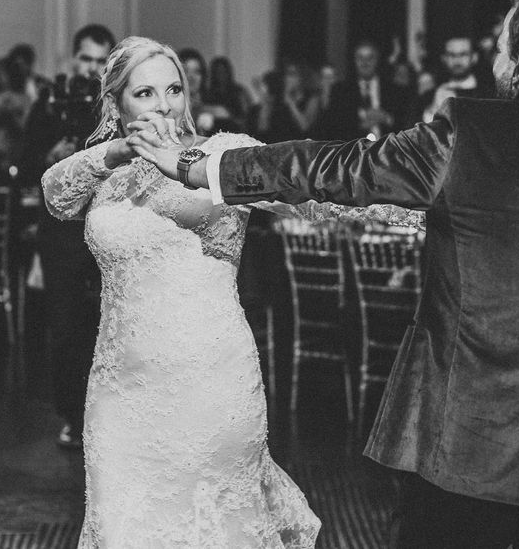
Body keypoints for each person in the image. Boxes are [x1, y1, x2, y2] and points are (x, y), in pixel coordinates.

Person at [133, 0, 519, 548]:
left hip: (471, 439)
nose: (495, 60)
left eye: (502, 47)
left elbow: (335, 167)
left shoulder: (467, 137)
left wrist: (201, 166)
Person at [42, 36, 417, 546]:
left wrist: (412, 205)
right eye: (145, 93)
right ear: (116, 103)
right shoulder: (109, 174)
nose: (164, 104)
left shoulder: (219, 154)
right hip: (120, 390)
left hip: (209, 381)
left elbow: (312, 190)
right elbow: (55, 195)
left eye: (173, 89)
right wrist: (114, 152)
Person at [22, 22, 114, 449]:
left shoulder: (115, 106)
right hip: (60, 231)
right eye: (86, 58)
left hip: (106, 224)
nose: (92, 67)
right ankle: (72, 416)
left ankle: (108, 414)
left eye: (101, 60)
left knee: (108, 323)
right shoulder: (50, 103)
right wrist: (49, 156)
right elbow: (22, 163)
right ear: (73, 59)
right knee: (64, 326)